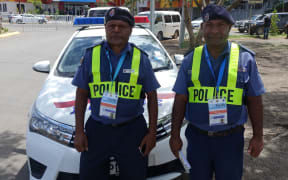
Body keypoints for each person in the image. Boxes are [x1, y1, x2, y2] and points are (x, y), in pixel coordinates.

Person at [169, 4, 265, 180]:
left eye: (221, 25)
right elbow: (181, 99)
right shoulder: (190, 60)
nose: (214, 30)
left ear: (229, 28)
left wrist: (258, 137)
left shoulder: (245, 59)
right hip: (198, 139)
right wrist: (174, 136)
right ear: (203, 28)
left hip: (230, 140)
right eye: (209, 25)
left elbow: (255, 100)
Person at [72, 7, 160, 180]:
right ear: (106, 28)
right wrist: (79, 131)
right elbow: (81, 94)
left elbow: (153, 97)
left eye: (122, 26)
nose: (116, 30)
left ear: (130, 30)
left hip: (132, 131)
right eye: (112, 26)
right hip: (97, 130)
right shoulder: (91, 55)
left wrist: (152, 133)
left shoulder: (141, 58)